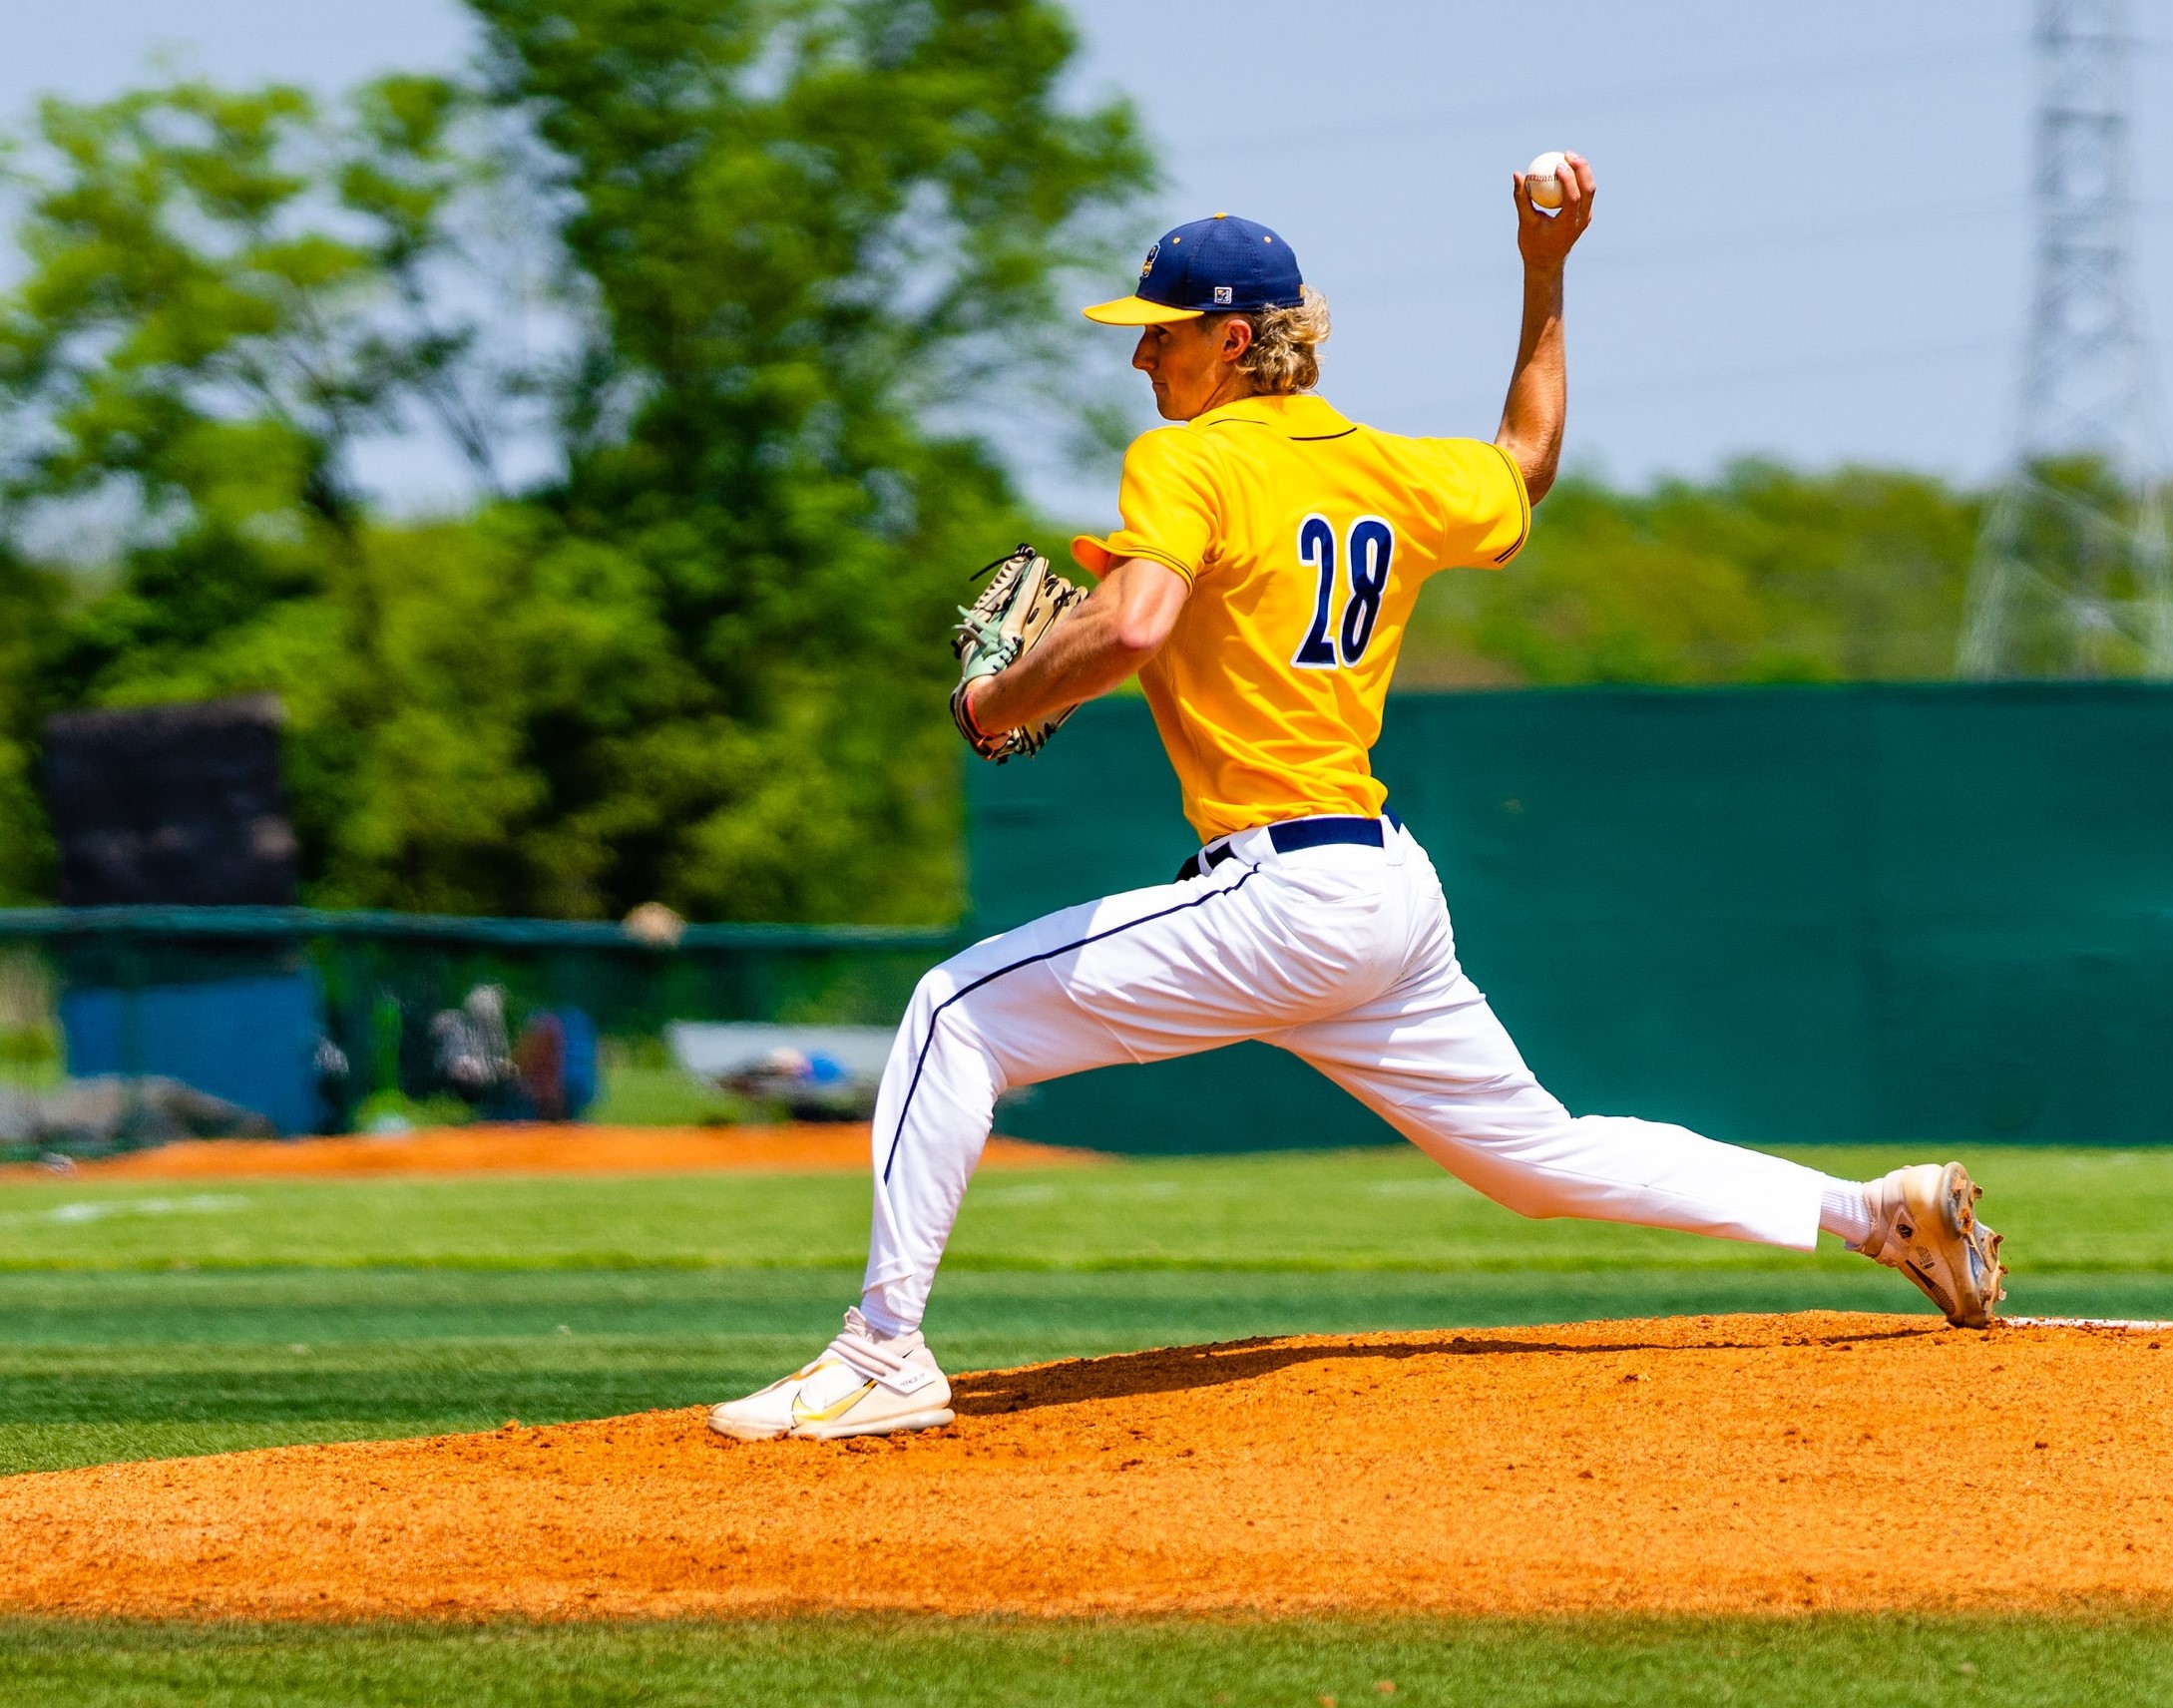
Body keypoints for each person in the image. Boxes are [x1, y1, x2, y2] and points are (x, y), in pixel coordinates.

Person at [707, 157, 2004, 1442]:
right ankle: (1872, 1211)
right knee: (1534, 1158)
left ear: (1225, 341)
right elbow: (1527, 461)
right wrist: (1545, 273)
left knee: (953, 1012)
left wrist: (996, 702)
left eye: (1159, 336)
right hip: (1382, 891)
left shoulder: (1193, 459)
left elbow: (1137, 620)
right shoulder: (1381, 465)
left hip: (1281, 892)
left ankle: (883, 1354)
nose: (1141, 363)